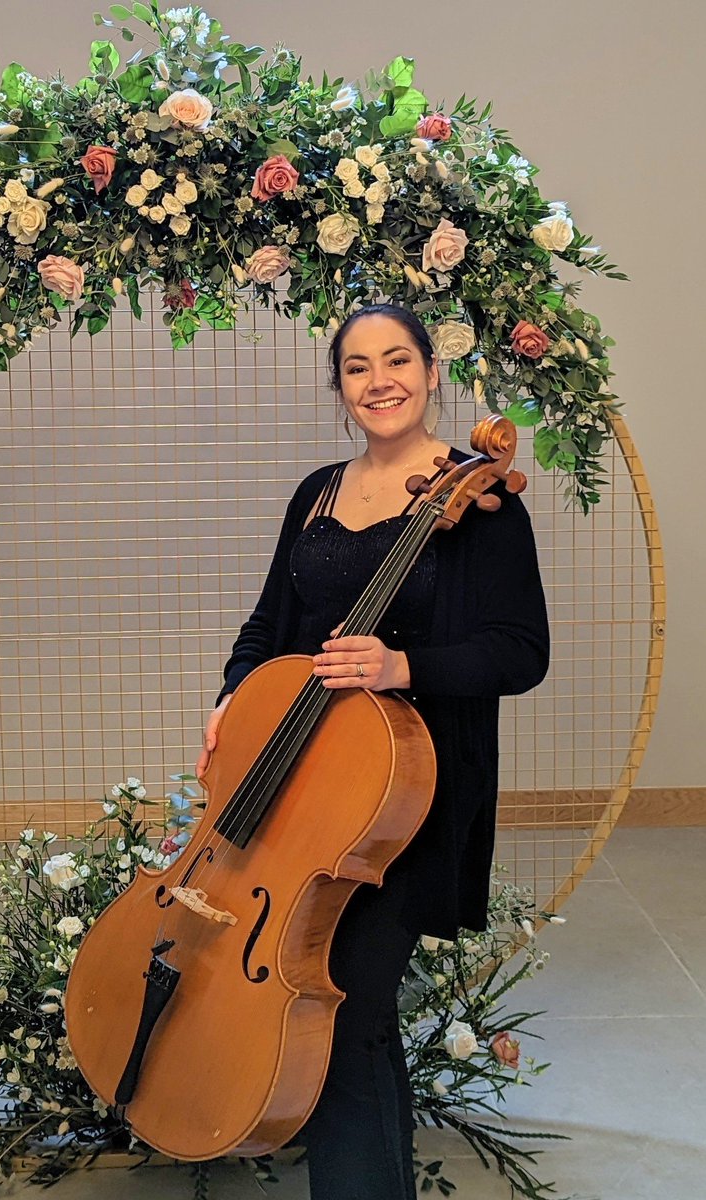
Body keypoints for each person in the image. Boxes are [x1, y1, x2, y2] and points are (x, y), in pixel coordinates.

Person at [193, 303, 550, 1199]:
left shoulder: (482, 502)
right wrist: (233, 694)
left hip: (404, 801)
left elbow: (520, 651)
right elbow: (269, 626)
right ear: (341, 389)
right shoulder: (316, 491)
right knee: (342, 1017)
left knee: (344, 1015)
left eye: (397, 361)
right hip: (295, 784)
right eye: (357, 367)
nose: (378, 380)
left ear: (433, 373)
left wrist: (402, 664)